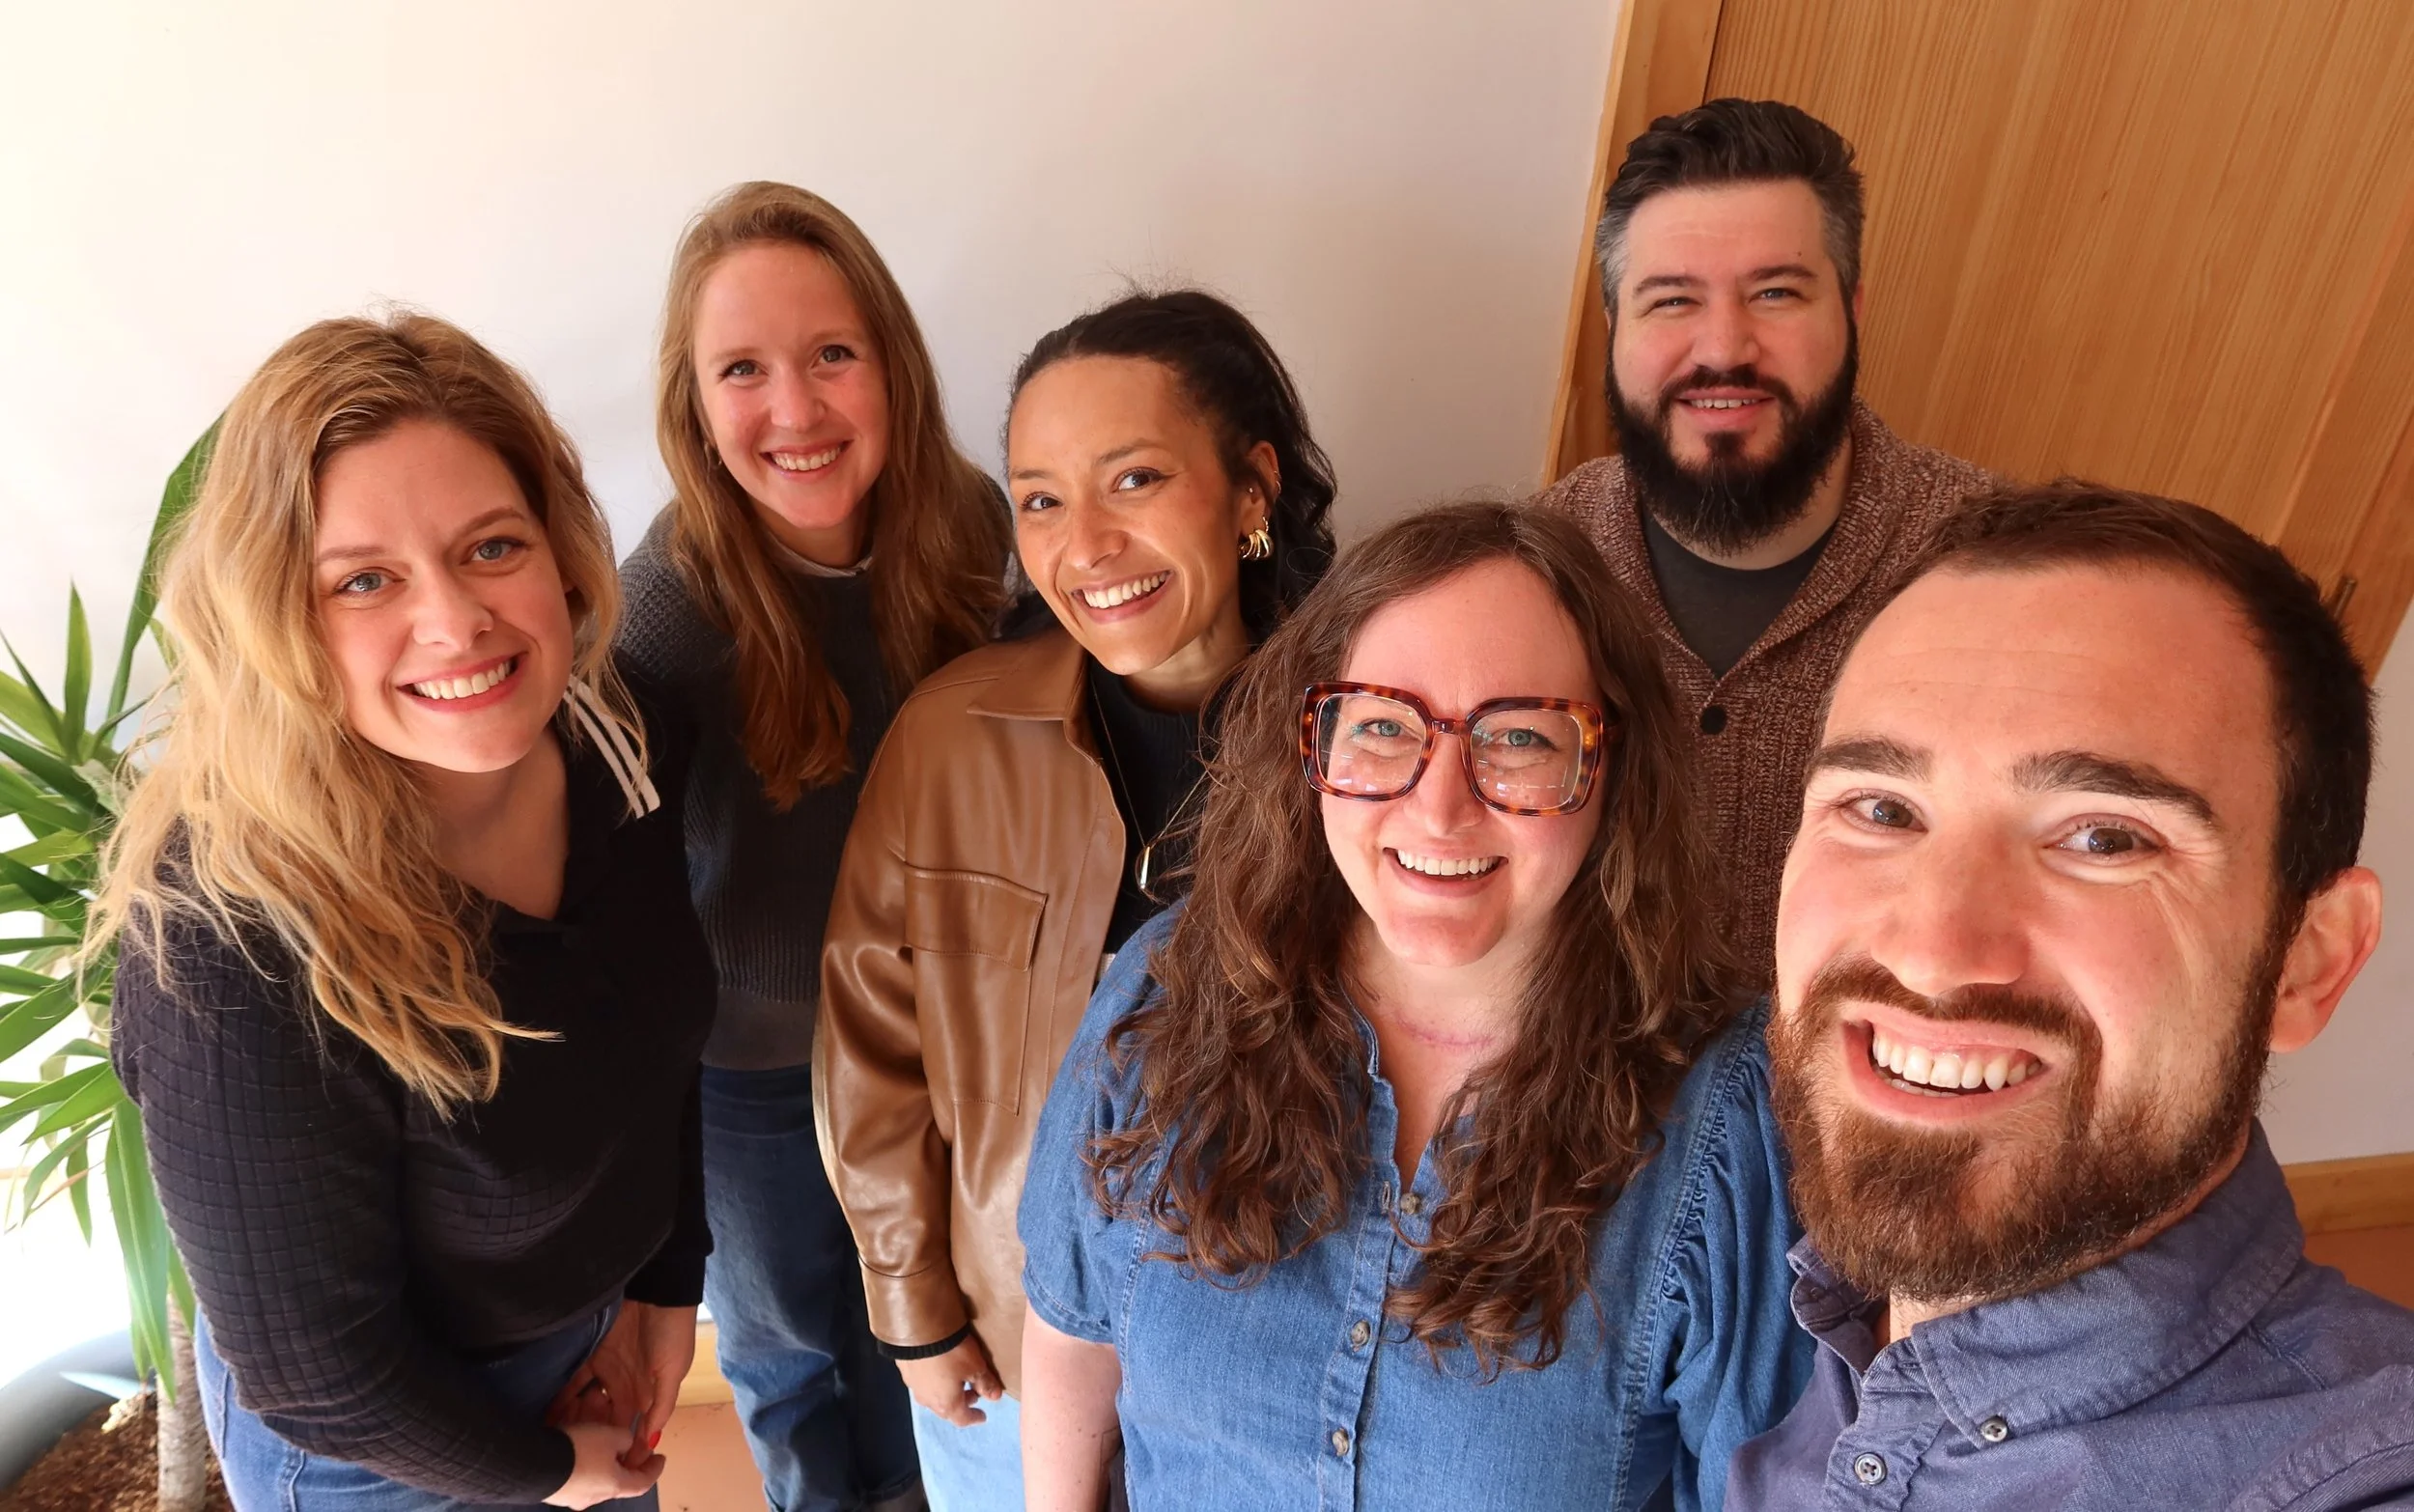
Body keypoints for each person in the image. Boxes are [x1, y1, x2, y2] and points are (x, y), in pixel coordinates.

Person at [1017, 501, 1814, 1512]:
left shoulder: (1729, 1121)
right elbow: (1073, 1329)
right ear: (1313, 742)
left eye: (1518, 737)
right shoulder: (1167, 989)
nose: (1439, 807)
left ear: (1609, 771)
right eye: (1386, 725)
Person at [101, 313, 712, 1510]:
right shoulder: (229, 941)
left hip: (595, 1351)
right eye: (365, 581)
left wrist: (661, 1288)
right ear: (277, 615)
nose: (455, 622)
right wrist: (542, 1473)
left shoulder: (612, 736)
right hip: (378, 1450)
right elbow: (315, 1368)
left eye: (491, 548)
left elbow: (655, 1052)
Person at [1726, 482, 2414, 1509]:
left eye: (2103, 837)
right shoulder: (1830, 1337)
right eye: (1879, 807)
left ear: (2307, 961)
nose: (1933, 952)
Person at [815, 289, 1337, 1509]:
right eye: (1041, 499)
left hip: (1265, 1376)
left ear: (1252, 488)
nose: (1083, 544)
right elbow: (869, 1047)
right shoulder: (952, 735)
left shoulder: (1371, 742)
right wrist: (912, 1309)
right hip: (1007, 1340)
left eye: (1135, 479)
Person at [617, 181, 1009, 1512]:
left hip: (936, 1040)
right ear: (694, 403)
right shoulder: (665, 613)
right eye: (744, 370)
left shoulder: (972, 531)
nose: (794, 410)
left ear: (891, 362)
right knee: (788, 1353)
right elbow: (612, 901)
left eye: (832, 354)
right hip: (752, 1072)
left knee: (923, 1325)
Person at [1538, 97, 1996, 983]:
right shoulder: (1537, 565)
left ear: (1852, 310)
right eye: (1672, 299)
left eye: (1775, 293)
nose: (1723, 348)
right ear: (1614, 328)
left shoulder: (1995, 571)